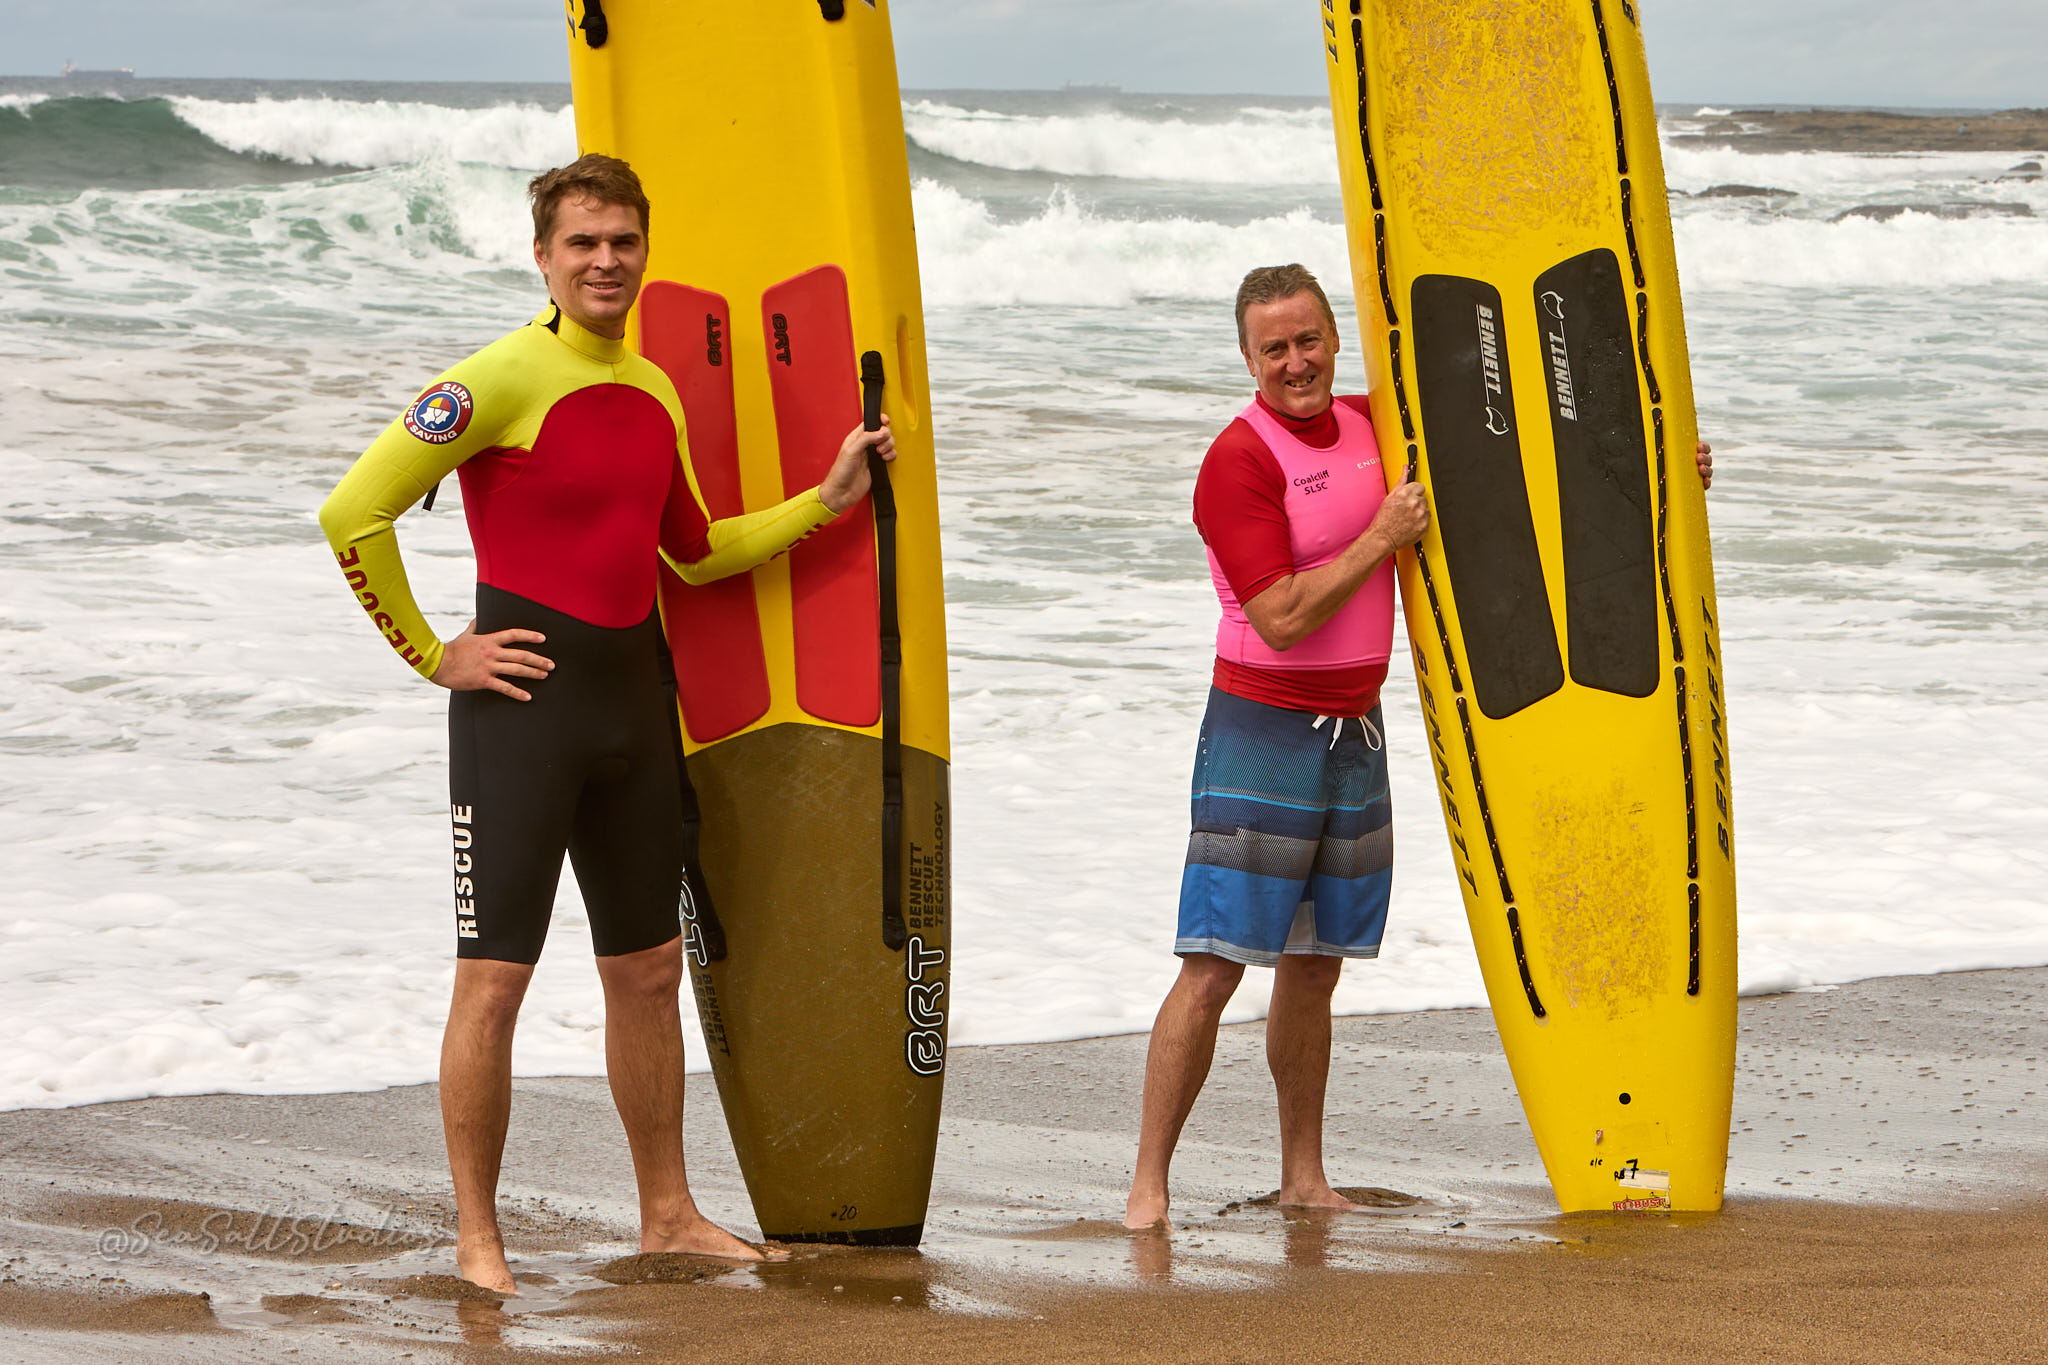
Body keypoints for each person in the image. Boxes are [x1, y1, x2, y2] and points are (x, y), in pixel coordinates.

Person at [317, 154, 894, 1291]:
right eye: (581, 242)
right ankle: (479, 1239)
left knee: (646, 970)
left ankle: (666, 1213)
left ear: (643, 250)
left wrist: (823, 503)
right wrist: (437, 656)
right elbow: (353, 510)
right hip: (519, 719)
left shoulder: (653, 387)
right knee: (494, 980)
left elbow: (690, 548)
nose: (604, 261)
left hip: (636, 708)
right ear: (542, 255)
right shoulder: (494, 381)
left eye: (621, 241)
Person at [1122, 264, 1712, 1230]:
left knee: (1316, 964)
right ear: (1247, 358)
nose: (1297, 361)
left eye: (1309, 338)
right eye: (1275, 347)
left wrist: (1660, 470)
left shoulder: (1371, 427)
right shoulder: (1237, 460)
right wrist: (1381, 534)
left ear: (1334, 336)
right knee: (1216, 961)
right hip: (1259, 730)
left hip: (1356, 728)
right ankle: (1148, 1186)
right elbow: (1278, 615)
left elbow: (1519, 458)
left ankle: (1304, 1175)